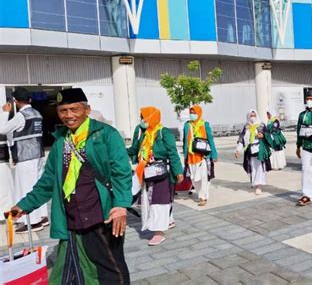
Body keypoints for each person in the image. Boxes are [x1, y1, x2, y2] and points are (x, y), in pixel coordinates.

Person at [10, 88, 132, 284]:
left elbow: (121, 172)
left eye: (74, 109)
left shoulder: (105, 135)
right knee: (74, 270)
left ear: (87, 109)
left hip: (102, 216)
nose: (69, 116)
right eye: (63, 110)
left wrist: (120, 206)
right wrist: (24, 205)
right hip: (72, 218)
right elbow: (48, 181)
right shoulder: (61, 140)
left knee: (110, 269)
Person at [128, 106, 184, 246]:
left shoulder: (164, 133)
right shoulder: (144, 133)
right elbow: (134, 149)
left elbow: (172, 152)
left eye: (144, 117)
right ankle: (168, 220)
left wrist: (178, 171)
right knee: (149, 201)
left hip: (161, 172)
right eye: (141, 118)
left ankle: (159, 233)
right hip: (146, 172)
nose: (142, 120)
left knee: (159, 201)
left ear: (152, 117)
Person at [0, 88, 48, 233]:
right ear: (30, 100)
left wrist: (5, 113)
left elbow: (2, 129)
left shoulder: (21, 115)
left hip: (25, 156)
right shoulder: (36, 113)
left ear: (15, 101)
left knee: (26, 188)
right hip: (38, 155)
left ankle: (33, 223)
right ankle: (43, 217)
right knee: (37, 186)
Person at [183, 104, 218, 207]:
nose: (192, 114)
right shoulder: (187, 125)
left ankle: (203, 197)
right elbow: (185, 140)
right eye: (191, 113)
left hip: (203, 156)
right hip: (191, 155)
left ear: (199, 113)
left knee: (204, 177)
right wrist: (185, 155)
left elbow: (210, 139)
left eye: (194, 113)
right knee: (194, 178)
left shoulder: (205, 124)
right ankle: (201, 194)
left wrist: (214, 154)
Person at [235, 110, 272, 195]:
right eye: (251, 115)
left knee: (259, 167)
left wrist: (263, 136)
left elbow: (268, 136)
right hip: (250, 150)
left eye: (254, 115)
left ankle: (258, 185)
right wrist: (238, 150)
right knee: (252, 167)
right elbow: (241, 139)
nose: (252, 117)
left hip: (259, 149)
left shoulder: (261, 125)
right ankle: (254, 183)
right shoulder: (246, 127)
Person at [0, 104, 14, 214]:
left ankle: (5, 212)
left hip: (2, 158)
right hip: (3, 158)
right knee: (5, 187)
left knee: (5, 187)